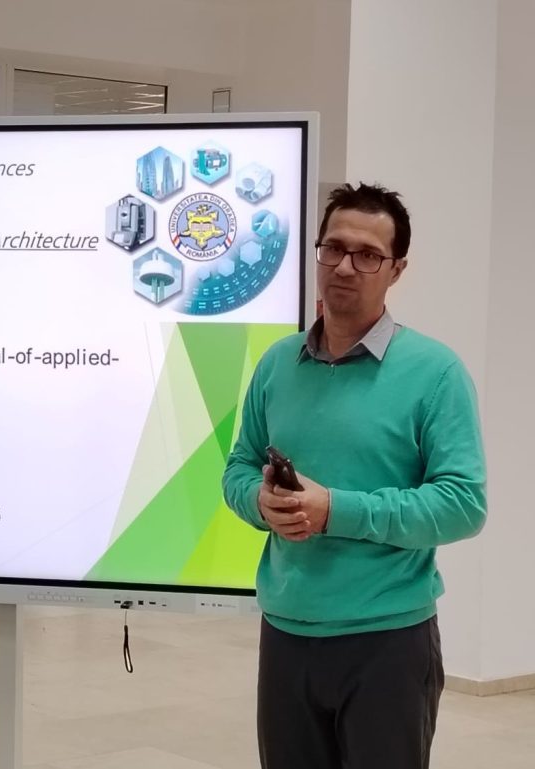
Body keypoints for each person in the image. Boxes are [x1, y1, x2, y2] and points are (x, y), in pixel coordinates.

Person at [222, 182, 486, 769]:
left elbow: (463, 504)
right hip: (286, 633)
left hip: (387, 640)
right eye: (334, 248)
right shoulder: (277, 364)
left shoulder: (436, 373)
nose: (345, 266)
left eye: (368, 255)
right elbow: (238, 466)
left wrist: (335, 511)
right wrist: (260, 503)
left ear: (397, 270)